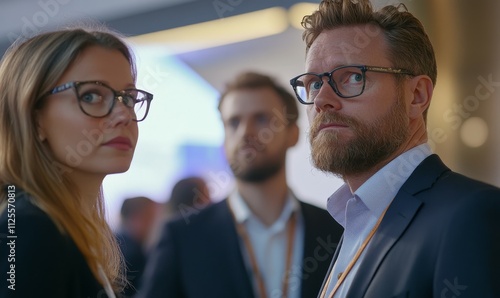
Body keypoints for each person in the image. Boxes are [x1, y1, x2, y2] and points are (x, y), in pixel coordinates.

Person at [289, 0, 500, 297]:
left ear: (416, 95)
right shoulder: (353, 223)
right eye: (313, 83)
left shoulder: (473, 216)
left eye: (353, 77)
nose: (323, 99)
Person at [139, 72, 344, 298]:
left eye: (262, 119)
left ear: (292, 134)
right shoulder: (183, 238)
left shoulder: (335, 232)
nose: (246, 132)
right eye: (233, 122)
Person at [0, 27, 153, 298]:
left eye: (128, 97)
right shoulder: (30, 227)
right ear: (33, 118)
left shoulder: (63, 226)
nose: (123, 115)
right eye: (91, 95)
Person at [115, 197, 160, 297]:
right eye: (151, 218)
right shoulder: (134, 254)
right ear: (136, 218)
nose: (154, 225)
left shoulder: (112, 244)